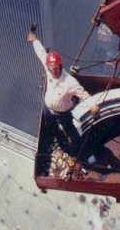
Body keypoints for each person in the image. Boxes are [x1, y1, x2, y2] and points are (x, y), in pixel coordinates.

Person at [28, 22, 96, 157]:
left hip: (63, 113)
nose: (52, 70)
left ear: (60, 66)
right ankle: (57, 136)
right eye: (50, 68)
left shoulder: (69, 82)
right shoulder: (49, 68)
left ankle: (79, 150)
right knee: (51, 125)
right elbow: (41, 52)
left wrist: (93, 106)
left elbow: (84, 95)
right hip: (48, 109)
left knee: (70, 129)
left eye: (55, 68)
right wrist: (33, 38)